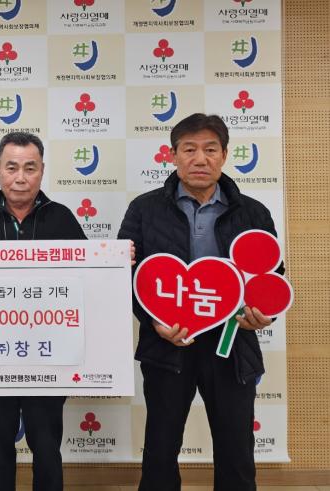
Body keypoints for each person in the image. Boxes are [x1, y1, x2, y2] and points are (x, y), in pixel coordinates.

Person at [117, 113, 283, 491]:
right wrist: (154, 321)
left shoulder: (253, 211)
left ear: (224, 154)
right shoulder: (144, 209)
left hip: (231, 344)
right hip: (168, 342)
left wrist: (263, 314)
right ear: (173, 155)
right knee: (160, 448)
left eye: (210, 149)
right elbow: (127, 275)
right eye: (189, 149)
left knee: (236, 450)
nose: (200, 159)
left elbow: (272, 274)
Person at [0, 132, 86, 491]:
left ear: (42, 170)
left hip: (48, 354)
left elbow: (89, 279)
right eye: (11, 167)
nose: (20, 177)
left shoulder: (62, 219)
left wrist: (119, 260)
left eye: (30, 168)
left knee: (46, 444)